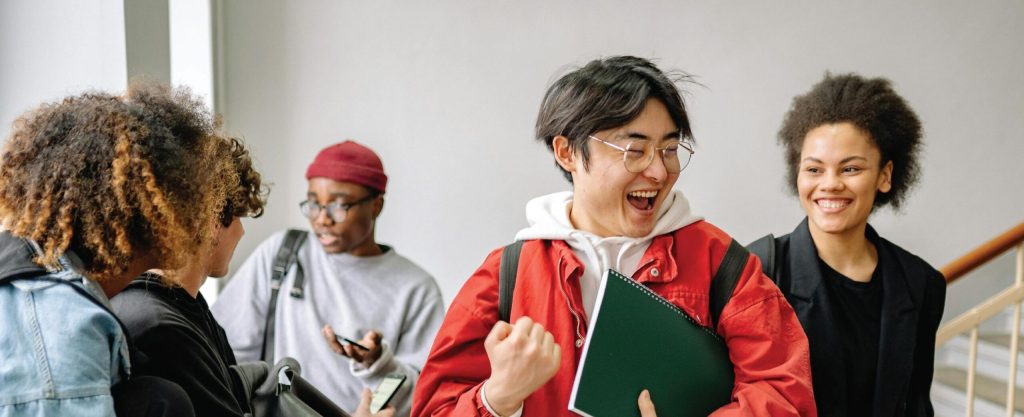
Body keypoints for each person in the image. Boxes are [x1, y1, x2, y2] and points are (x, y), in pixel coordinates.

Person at [411, 56, 817, 417]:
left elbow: (784, 393)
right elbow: (433, 407)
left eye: (670, 148)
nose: (659, 172)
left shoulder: (721, 263)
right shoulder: (508, 274)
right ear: (567, 153)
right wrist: (497, 401)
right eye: (634, 151)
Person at [112, 137, 395, 417]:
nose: (242, 232)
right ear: (212, 220)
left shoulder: (185, 308)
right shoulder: (161, 328)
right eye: (239, 216)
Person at [0, 81, 233, 416]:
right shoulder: (59, 322)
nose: (201, 213)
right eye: (190, 196)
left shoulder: (52, 282)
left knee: (158, 398)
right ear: (150, 207)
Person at [750, 73, 946, 417]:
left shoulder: (921, 283)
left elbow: (915, 405)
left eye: (850, 168)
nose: (830, 185)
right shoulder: (759, 270)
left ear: (884, 176)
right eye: (814, 169)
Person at [212, 140, 445, 416]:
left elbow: (424, 396)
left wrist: (377, 364)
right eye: (313, 203)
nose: (322, 219)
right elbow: (226, 350)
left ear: (376, 206)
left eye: (339, 205)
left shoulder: (415, 288)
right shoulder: (283, 253)